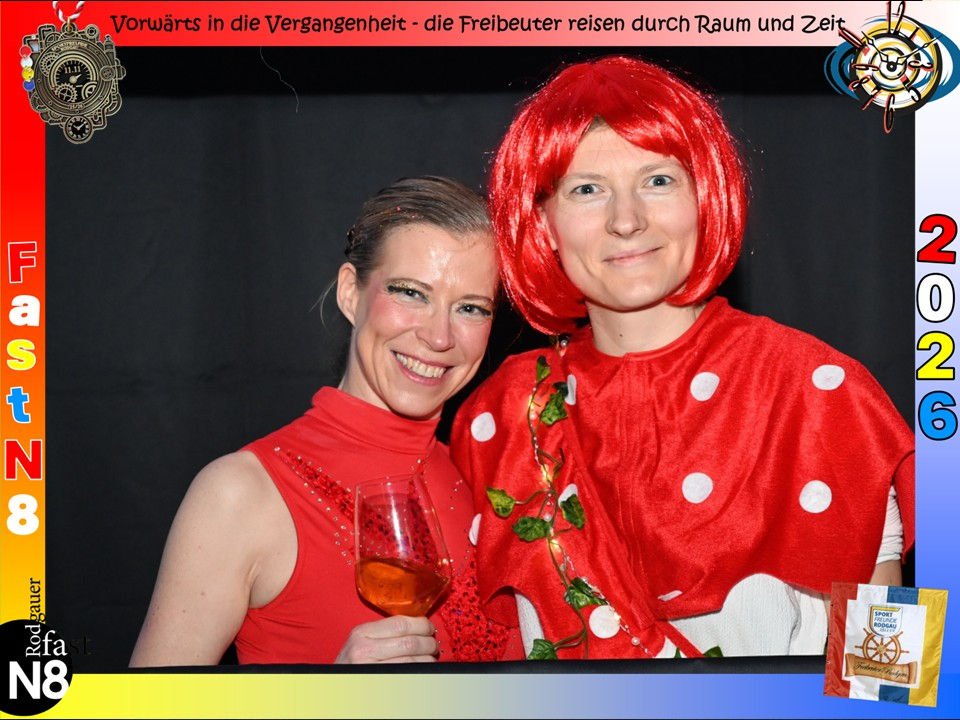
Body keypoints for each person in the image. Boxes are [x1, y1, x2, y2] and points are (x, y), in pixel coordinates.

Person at [450, 56, 914, 659]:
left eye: (658, 180)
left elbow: (889, 673)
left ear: (704, 195)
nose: (626, 220)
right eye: (587, 190)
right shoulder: (501, 411)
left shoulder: (815, 387)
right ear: (543, 221)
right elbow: (483, 659)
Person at [131, 176, 519, 665]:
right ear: (351, 293)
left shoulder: (489, 478)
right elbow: (146, 704)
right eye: (410, 293)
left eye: (470, 308)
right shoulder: (242, 493)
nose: (439, 336)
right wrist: (331, 695)